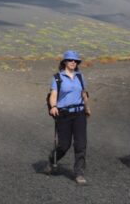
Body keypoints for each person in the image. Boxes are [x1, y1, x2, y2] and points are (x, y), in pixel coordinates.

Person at [45, 50, 91, 185]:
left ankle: (79, 173)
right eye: (70, 60)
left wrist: (87, 108)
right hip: (64, 114)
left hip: (79, 113)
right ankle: (53, 158)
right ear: (64, 61)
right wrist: (53, 106)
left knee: (81, 144)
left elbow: (84, 94)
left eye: (75, 60)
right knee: (64, 145)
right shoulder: (57, 78)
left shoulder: (80, 77)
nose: (73, 62)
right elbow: (53, 95)